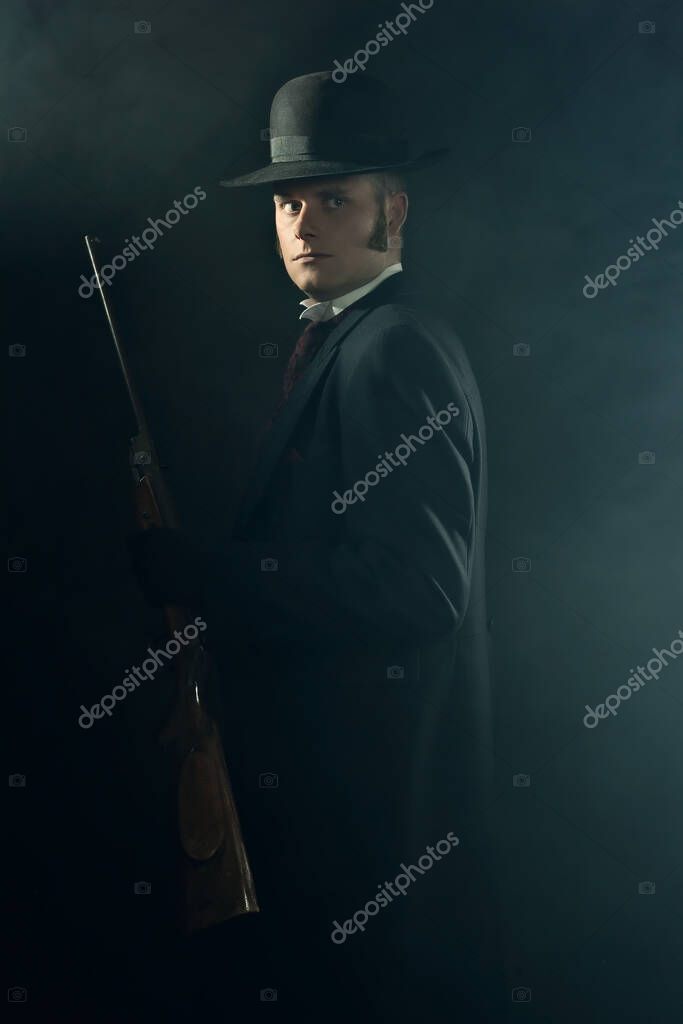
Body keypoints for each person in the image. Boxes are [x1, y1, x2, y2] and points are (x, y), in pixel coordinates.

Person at [129, 70, 505, 1022]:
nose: (302, 224)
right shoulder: (347, 341)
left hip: (369, 828)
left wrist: (206, 573)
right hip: (330, 822)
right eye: (290, 201)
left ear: (394, 211)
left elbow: (416, 590)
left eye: (333, 200)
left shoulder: (393, 348)